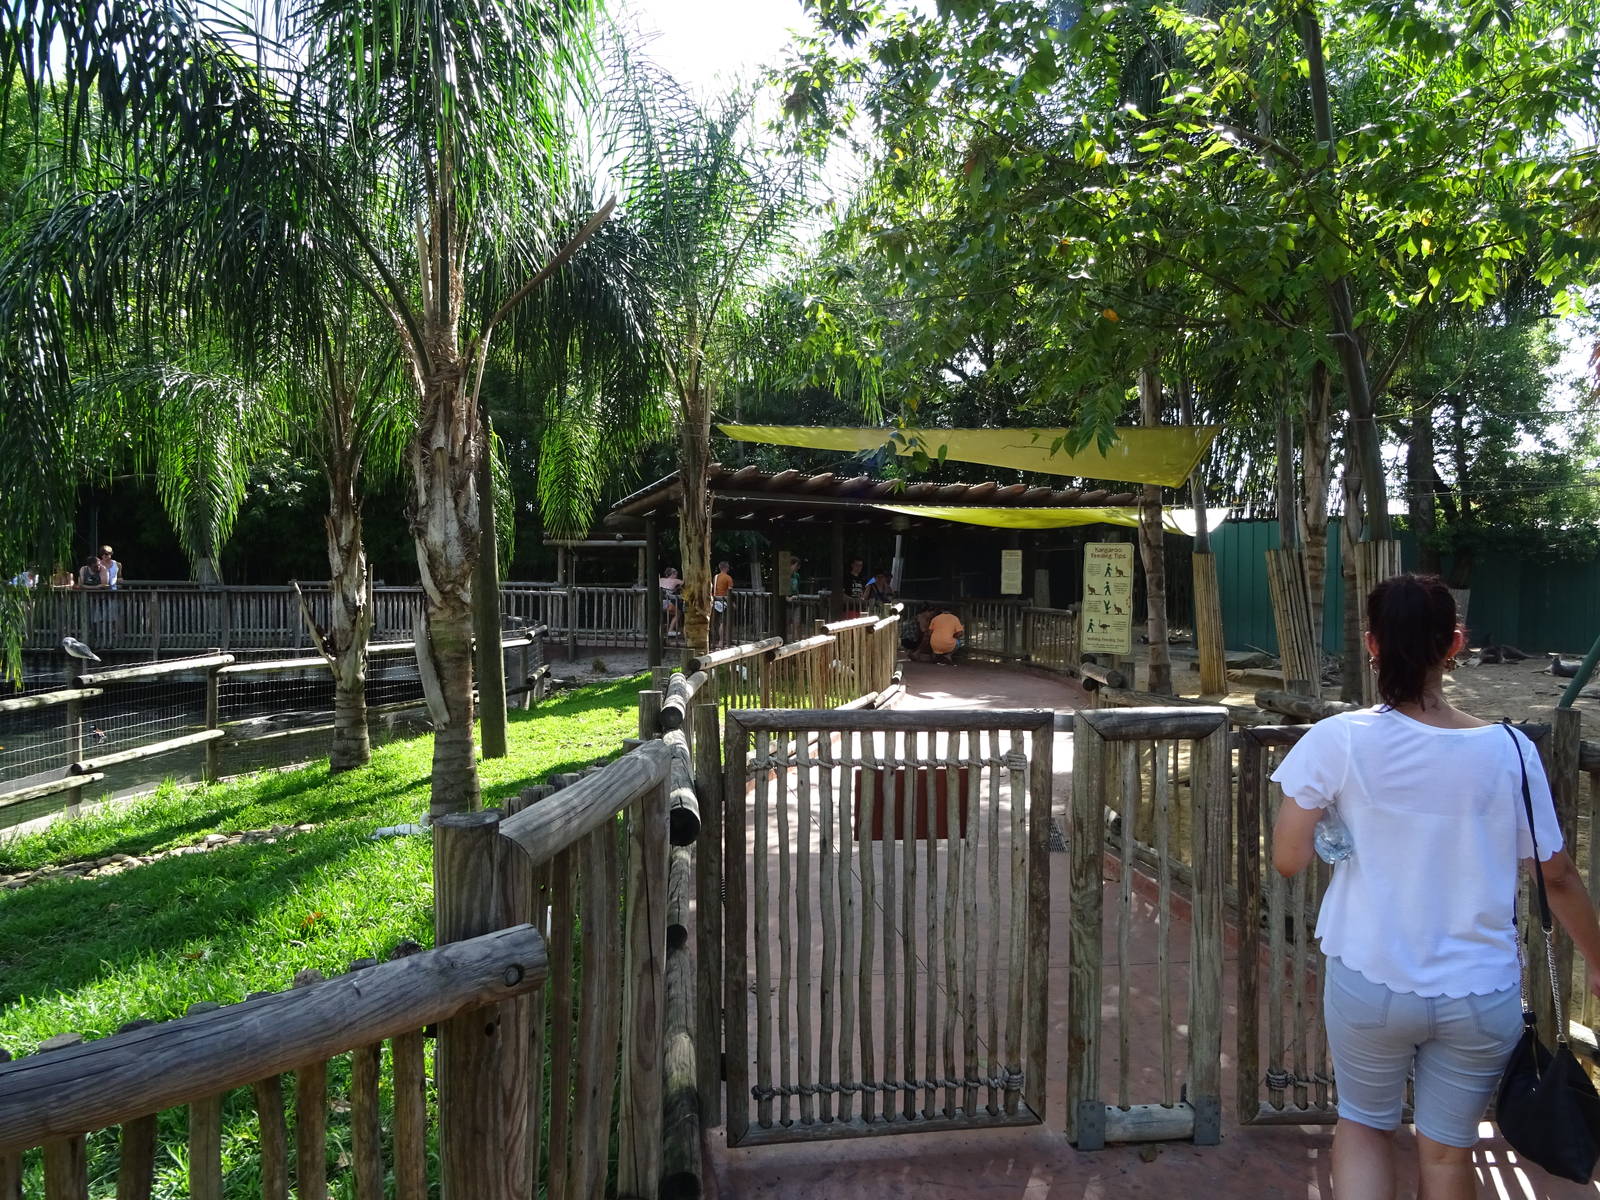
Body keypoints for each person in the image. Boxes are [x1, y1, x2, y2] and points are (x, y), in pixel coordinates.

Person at [1271, 573, 1600, 1200]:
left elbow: (1287, 859)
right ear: (1455, 644)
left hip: (1369, 977)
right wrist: (1599, 961)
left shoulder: (1337, 740)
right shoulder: (1512, 749)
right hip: (1481, 991)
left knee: (1365, 1126)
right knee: (1449, 1154)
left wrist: (1343, 824)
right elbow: (1556, 875)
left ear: (1372, 645)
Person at [711, 560, 734, 648]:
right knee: (722, 622)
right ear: (726, 568)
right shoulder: (728, 578)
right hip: (724, 601)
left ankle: (713, 641)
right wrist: (732, 602)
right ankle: (721, 641)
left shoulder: (715, 577)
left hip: (715, 600)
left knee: (714, 621)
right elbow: (729, 591)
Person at [659, 566, 684, 641]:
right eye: (676, 574)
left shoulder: (661, 580)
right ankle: (670, 630)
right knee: (678, 613)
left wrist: (676, 589)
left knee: (663, 615)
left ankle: (660, 631)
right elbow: (685, 583)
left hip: (658, 602)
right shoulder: (675, 581)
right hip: (667, 602)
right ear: (672, 574)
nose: (676, 576)